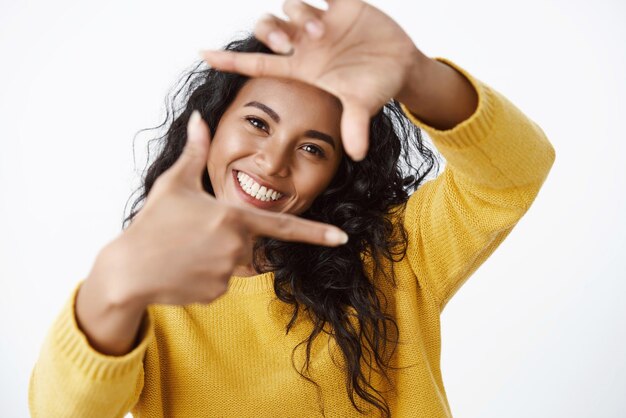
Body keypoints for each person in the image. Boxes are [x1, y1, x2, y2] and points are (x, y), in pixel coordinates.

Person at [28, 0, 556, 417]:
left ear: (337, 172)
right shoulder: (150, 288)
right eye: (258, 123)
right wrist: (114, 286)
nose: (272, 161)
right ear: (211, 126)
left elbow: (514, 175)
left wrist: (416, 74)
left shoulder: (394, 257)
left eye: (312, 148)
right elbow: (63, 412)